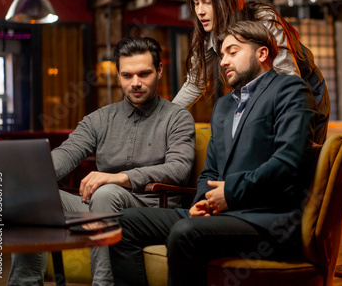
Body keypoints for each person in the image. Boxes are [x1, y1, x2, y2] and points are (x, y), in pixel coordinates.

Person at [109, 21, 319, 286]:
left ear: (262, 54)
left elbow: (289, 163)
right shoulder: (223, 106)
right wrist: (202, 201)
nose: (223, 61)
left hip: (267, 219)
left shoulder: (290, 90)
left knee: (186, 232)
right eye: (221, 55)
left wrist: (229, 193)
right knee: (121, 223)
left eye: (232, 52)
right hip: (218, 215)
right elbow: (210, 170)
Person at [8, 36, 196, 286]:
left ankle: (104, 284)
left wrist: (118, 178)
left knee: (107, 192)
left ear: (159, 71)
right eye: (127, 75)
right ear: (118, 75)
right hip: (99, 204)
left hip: (150, 210)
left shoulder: (177, 117)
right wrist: (27, 176)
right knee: (32, 193)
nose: (136, 83)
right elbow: (66, 154)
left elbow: (179, 169)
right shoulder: (99, 119)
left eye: (144, 74)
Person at [172, 0, 329, 144]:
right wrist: (164, 118)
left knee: (298, 156)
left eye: (207, 2)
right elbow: (195, 83)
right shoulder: (208, 34)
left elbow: (289, 78)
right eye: (196, 3)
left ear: (227, 0)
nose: (200, 11)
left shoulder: (262, 20)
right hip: (259, 95)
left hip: (305, 92)